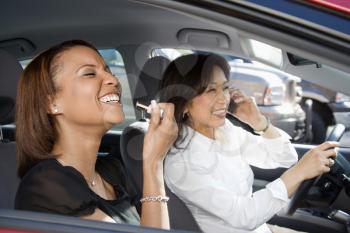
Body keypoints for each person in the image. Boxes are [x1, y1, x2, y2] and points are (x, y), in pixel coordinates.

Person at [159, 53, 338, 233]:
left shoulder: (224, 130)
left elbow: (285, 157)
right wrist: (299, 173)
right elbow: (243, 216)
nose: (224, 99)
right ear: (184, 103)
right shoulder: (181, 163)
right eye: (211, 90)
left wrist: (260, 122)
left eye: (225, 88)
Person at [15, 40, 178, 229]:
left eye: (108, 70)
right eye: (90, 73)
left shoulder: (113, 172)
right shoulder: (45, 187)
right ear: (51, 103)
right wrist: (153, 164)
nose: (113, 79)